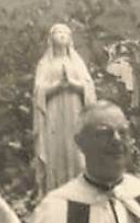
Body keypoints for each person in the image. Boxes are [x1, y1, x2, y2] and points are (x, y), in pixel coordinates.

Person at [32, 23, 98, 195]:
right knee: (56, 152)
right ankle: (55, 190)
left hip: (75, 112)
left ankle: (80, 190)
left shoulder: (76, 63)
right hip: (53, 115)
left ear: (70, 39)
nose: (61, 35)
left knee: (76, 152)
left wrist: (73, 85)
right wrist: (56, 87)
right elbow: (38, 91)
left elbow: (88, 87)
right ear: (51, 38)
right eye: (57, 32)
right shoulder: (45, 63)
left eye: (64, 33)